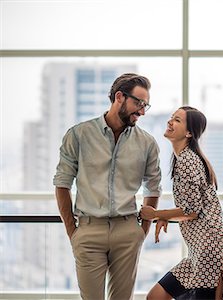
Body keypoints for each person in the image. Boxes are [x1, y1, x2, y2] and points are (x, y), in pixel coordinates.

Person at [53, 73, 163, 300]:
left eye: (146, 106)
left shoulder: (147, 143)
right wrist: (72, 231)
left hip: (128, 232)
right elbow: (62, 183)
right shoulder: (79, 135)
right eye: (139, 103)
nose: (142, 111)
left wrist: (141, 231)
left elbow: (153, 187)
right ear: (119, 97)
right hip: (88, 232)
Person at [140, 106, 223, 300]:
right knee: (156, 297)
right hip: (200, 251)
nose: (170, 122)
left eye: (177, 120)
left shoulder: (188, 160)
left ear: (189, 133)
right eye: (171, 117)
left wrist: (157, 214)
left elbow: (191, 210)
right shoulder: (183, 159)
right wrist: (168, 216)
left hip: (212, 249)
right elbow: (193, 207)